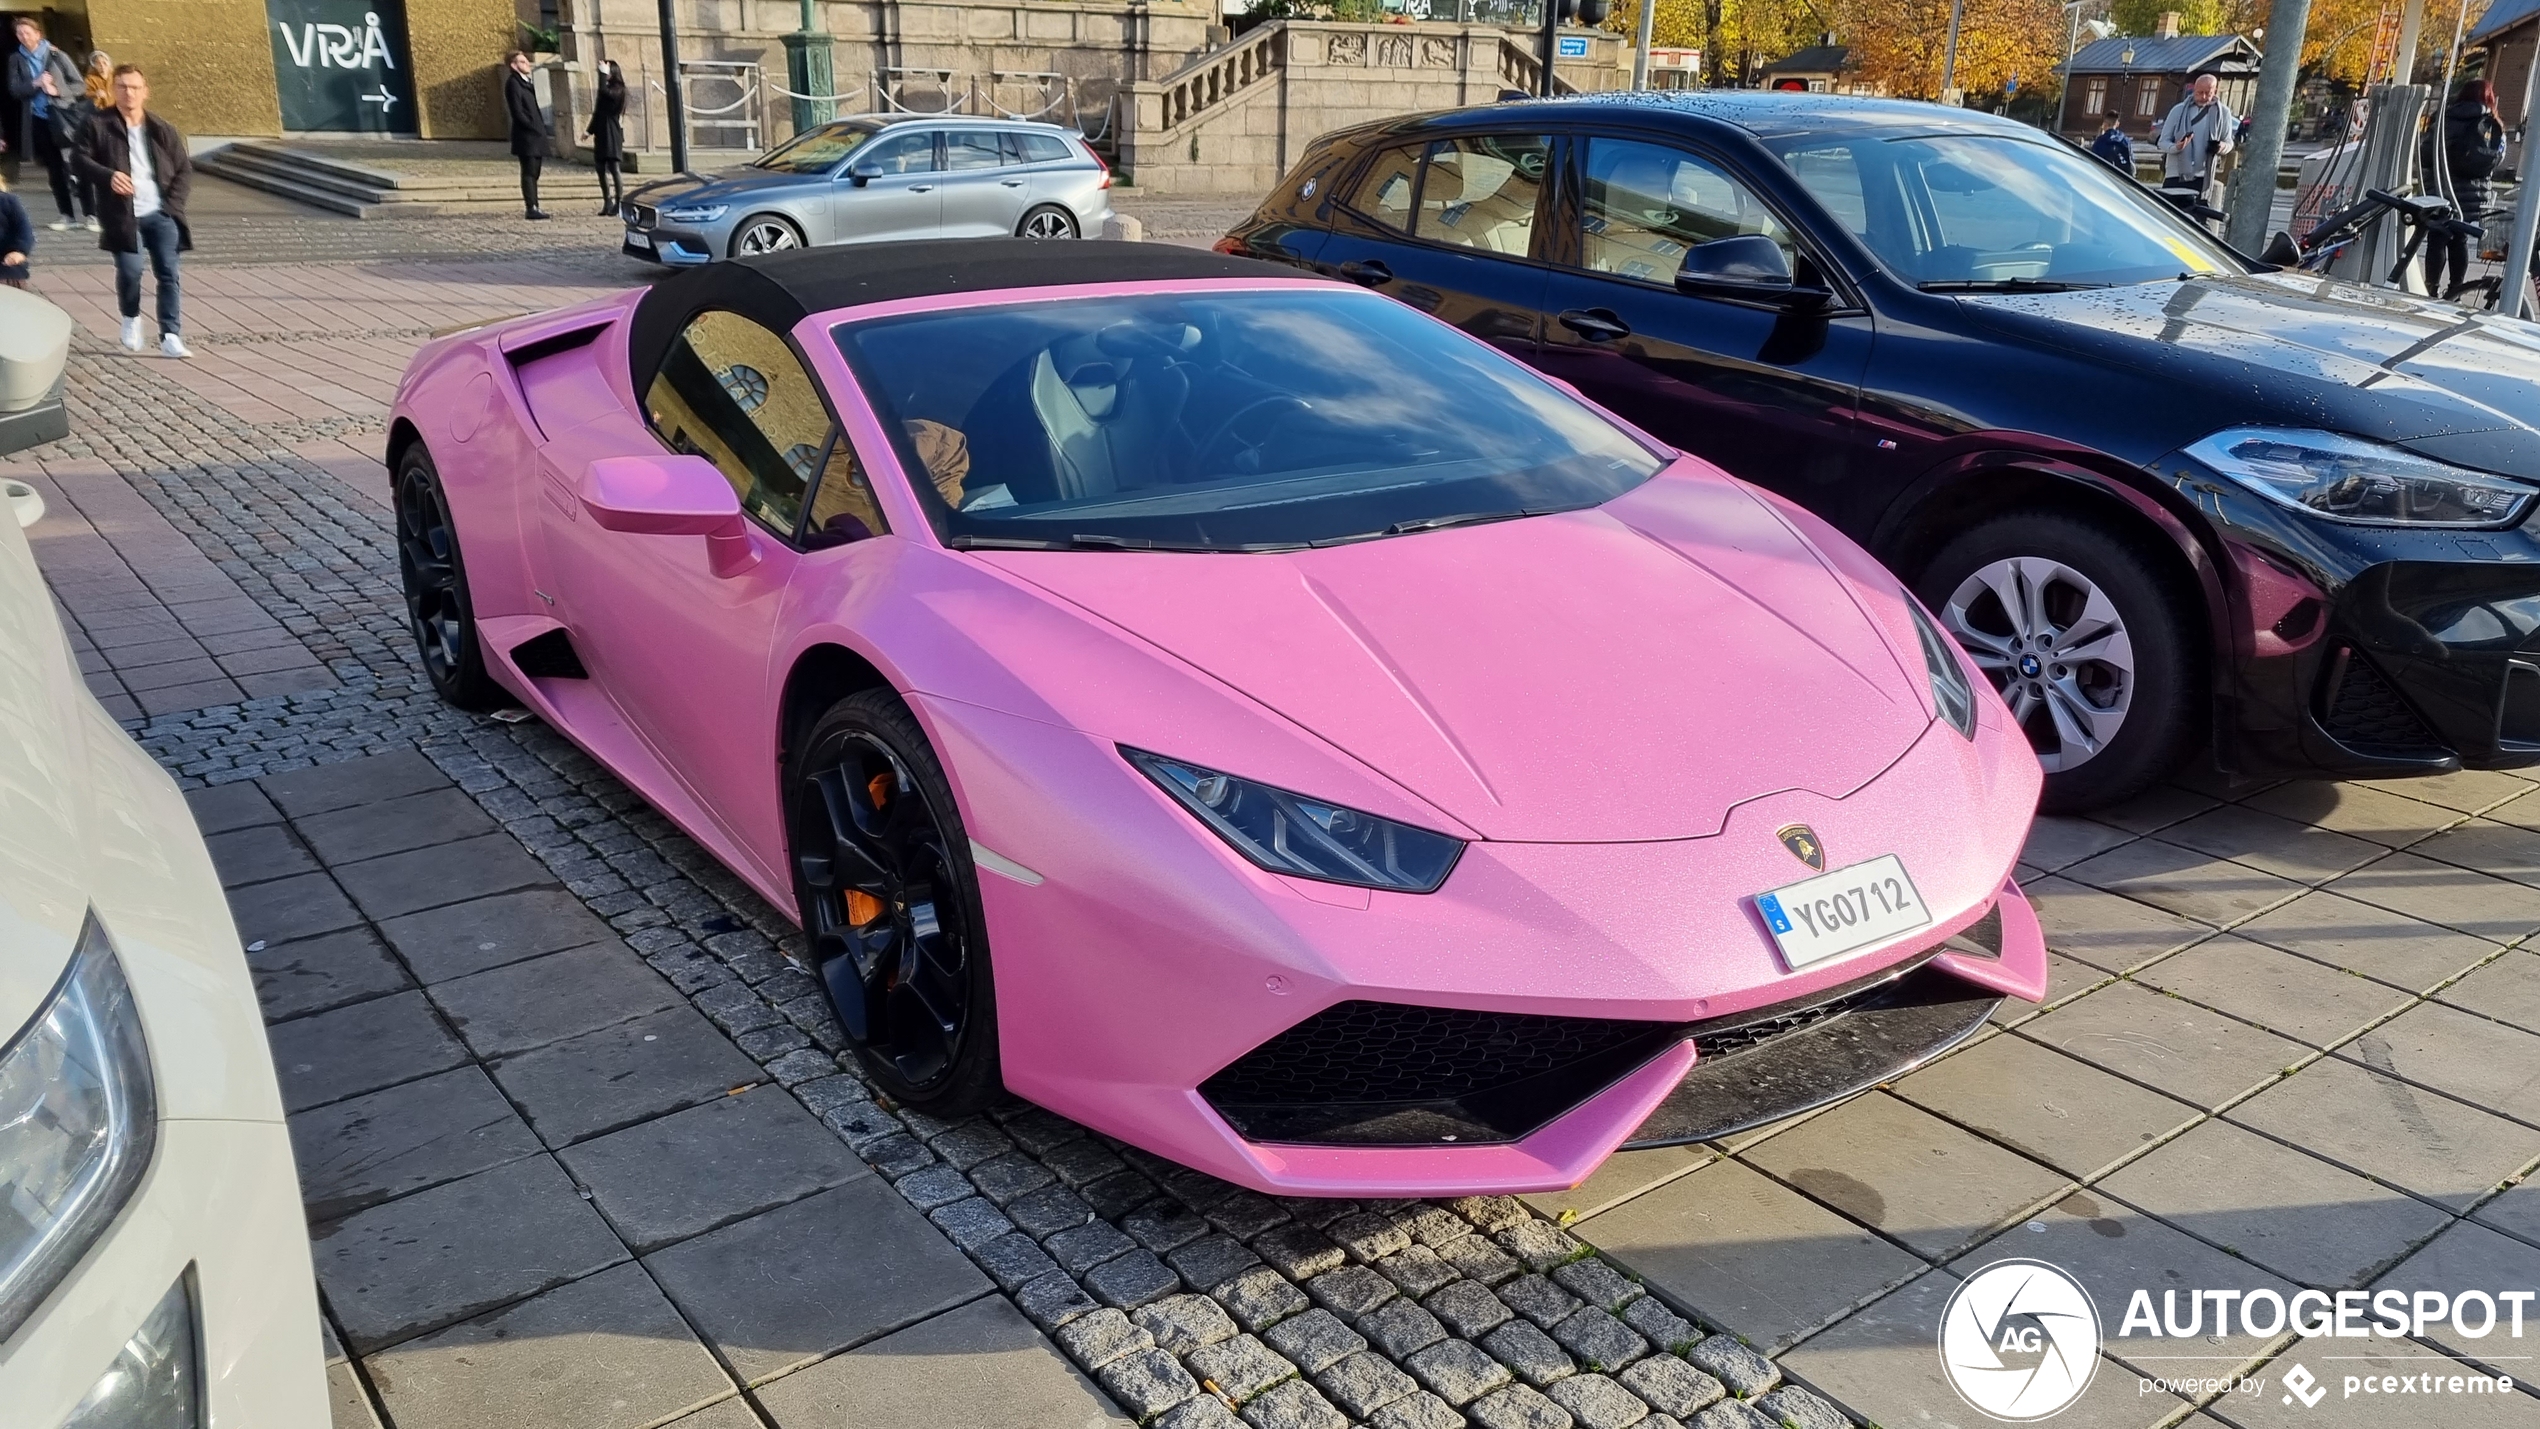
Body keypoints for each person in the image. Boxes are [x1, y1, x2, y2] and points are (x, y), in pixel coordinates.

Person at [72, 64, 191, 358]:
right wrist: (107, 176)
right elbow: (78, 160)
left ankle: (171, 335)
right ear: (114, 90)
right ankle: (130, 317)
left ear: (145, 92)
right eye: (123, 87)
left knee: (168, 274)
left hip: (160, 212)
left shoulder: (162, 129)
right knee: (130, 270)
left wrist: (170, 207)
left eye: (136, 87)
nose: (130, 93)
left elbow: (184, 170)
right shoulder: (97, 124)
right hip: (122, 214)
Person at [8, 17, 93, 233]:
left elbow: (80, 85)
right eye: (19, 33)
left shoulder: (57, 55)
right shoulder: (16, 59)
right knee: (54, 171)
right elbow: (15, 90)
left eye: (27, 32)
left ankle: (92, 215)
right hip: (39, 120)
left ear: (38, 34)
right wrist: (35, 84)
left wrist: (58, 91)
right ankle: (66, 216)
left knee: (76, 166)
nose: (24, 37)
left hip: (64, 119)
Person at [2428, 78, 2505, 300]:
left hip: (2444, 186)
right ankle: (2457, 289)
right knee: (2459, 238)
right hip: (2474, 192)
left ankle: (2431, 287)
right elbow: (2497, 157)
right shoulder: (2492, 122)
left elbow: (2426, 151)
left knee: (2437, 236)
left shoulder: (2446, 118)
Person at [2155, 71, 2236, 205]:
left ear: (2215, 91)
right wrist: (2176, 147)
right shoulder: (2178, 110)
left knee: (2196, 218)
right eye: (2199, 92)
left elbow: (2229, 142)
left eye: (2208, 93)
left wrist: (2220, 147)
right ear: (2194, 89)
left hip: (2203, 176)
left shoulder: (2223, 113)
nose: (2203, 97)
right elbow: (2162, 141)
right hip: (2176, 174)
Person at [505, 51, 551, 220]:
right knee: (529, 172)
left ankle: (535, 205)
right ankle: (531, 207)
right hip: (527, 136)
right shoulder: (513, 84)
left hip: (536, 135)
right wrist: (531, 126)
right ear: (514, 65)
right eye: (523, 62)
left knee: (535, 172)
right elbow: (517, 111)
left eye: (526, 61)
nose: (528, 64)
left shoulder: (526, 83)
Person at [587, 60, 627, 216]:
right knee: (600, 168)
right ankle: (607, 201)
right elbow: (597, 111)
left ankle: (619, 201)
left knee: (614, 168)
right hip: (601, 131)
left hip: (612, 130)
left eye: (607, 71)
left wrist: (603, 75)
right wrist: (589, 130)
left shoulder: (618, 89)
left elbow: (605, 94)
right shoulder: (606, 88)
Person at [0, 172, 31, 288]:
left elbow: (24, 230)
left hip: (5, 261)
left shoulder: (7, 201)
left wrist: (19, 251)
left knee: (9, 278)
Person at [2089, 112, 2134, 176]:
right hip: (2123, 179)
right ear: (2117, 124)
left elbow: (2092, 161)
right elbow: (2132, 162)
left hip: (2106, 177)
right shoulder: (2126, 140)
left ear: (2104, 124)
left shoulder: (2100, 141)